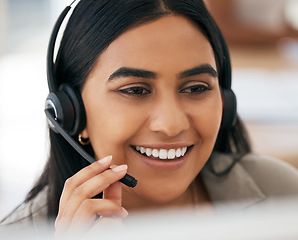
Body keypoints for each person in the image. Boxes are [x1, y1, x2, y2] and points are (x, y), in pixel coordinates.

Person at [1, 0, 298, 237]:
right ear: (71, 112)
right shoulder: (21, 233)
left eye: (196, 88)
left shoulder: (280, 193)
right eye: (135, 90)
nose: (171, 125)